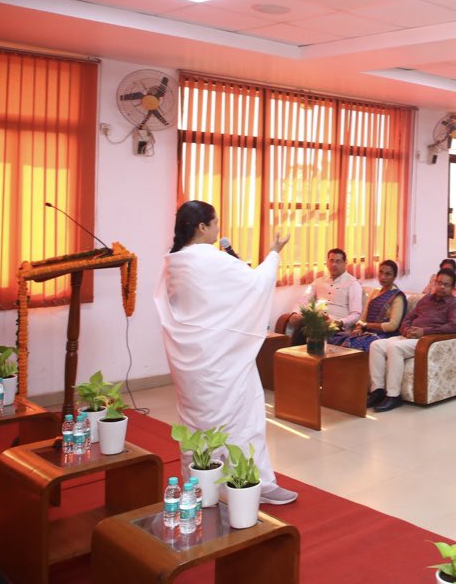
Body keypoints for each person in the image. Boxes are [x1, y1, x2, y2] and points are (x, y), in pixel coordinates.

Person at [155, 200, 297, 505]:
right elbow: (255, 285)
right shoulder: (212, 260)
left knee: (198, 421)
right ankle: (251, 483)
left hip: (192, 359)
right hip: (223, 358)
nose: (219, 228)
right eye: (216, 222)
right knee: (242, 418)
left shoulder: (174, 262)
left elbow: (197, 306)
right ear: (202, 227)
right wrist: (274, 252)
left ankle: (199, 483)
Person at [368, 268, 456, 412]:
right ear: (435, 282)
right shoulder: (426, 299)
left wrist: (424, 332)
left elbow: (455, 326)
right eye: (439, 283)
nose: (442, 287)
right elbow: (408, 319)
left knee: (395, 348)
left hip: (428, 340)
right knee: (376, 345)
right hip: (410, 336)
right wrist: (407, 330)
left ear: (453, 287)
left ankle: (394, 396)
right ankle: (378, 391)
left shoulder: (454, 304)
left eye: (446, 285)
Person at [287, 247, 363, 345]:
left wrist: (339, 322)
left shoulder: (353, 284)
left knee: (310, 328)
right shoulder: (318, 282)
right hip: (317, 320)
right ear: (327, 262)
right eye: (331, 261)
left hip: (336, 324)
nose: (334, 264)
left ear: (345, 263)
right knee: (303, 324)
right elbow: (304, 300)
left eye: (338, 261)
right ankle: (294, 357)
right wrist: (295, 313)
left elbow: (356, 314)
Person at [330, 260, 406, 352]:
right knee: (333, 337)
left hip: (383, 336)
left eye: (388, 274)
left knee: (351, 344)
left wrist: (366, 325)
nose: (383, 277)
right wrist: (358, 328)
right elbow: (363, 318)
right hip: (367, 332)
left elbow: (392, 326)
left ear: (394, 277)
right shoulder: (375, 292)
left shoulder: (397, 297)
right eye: (381, 272)